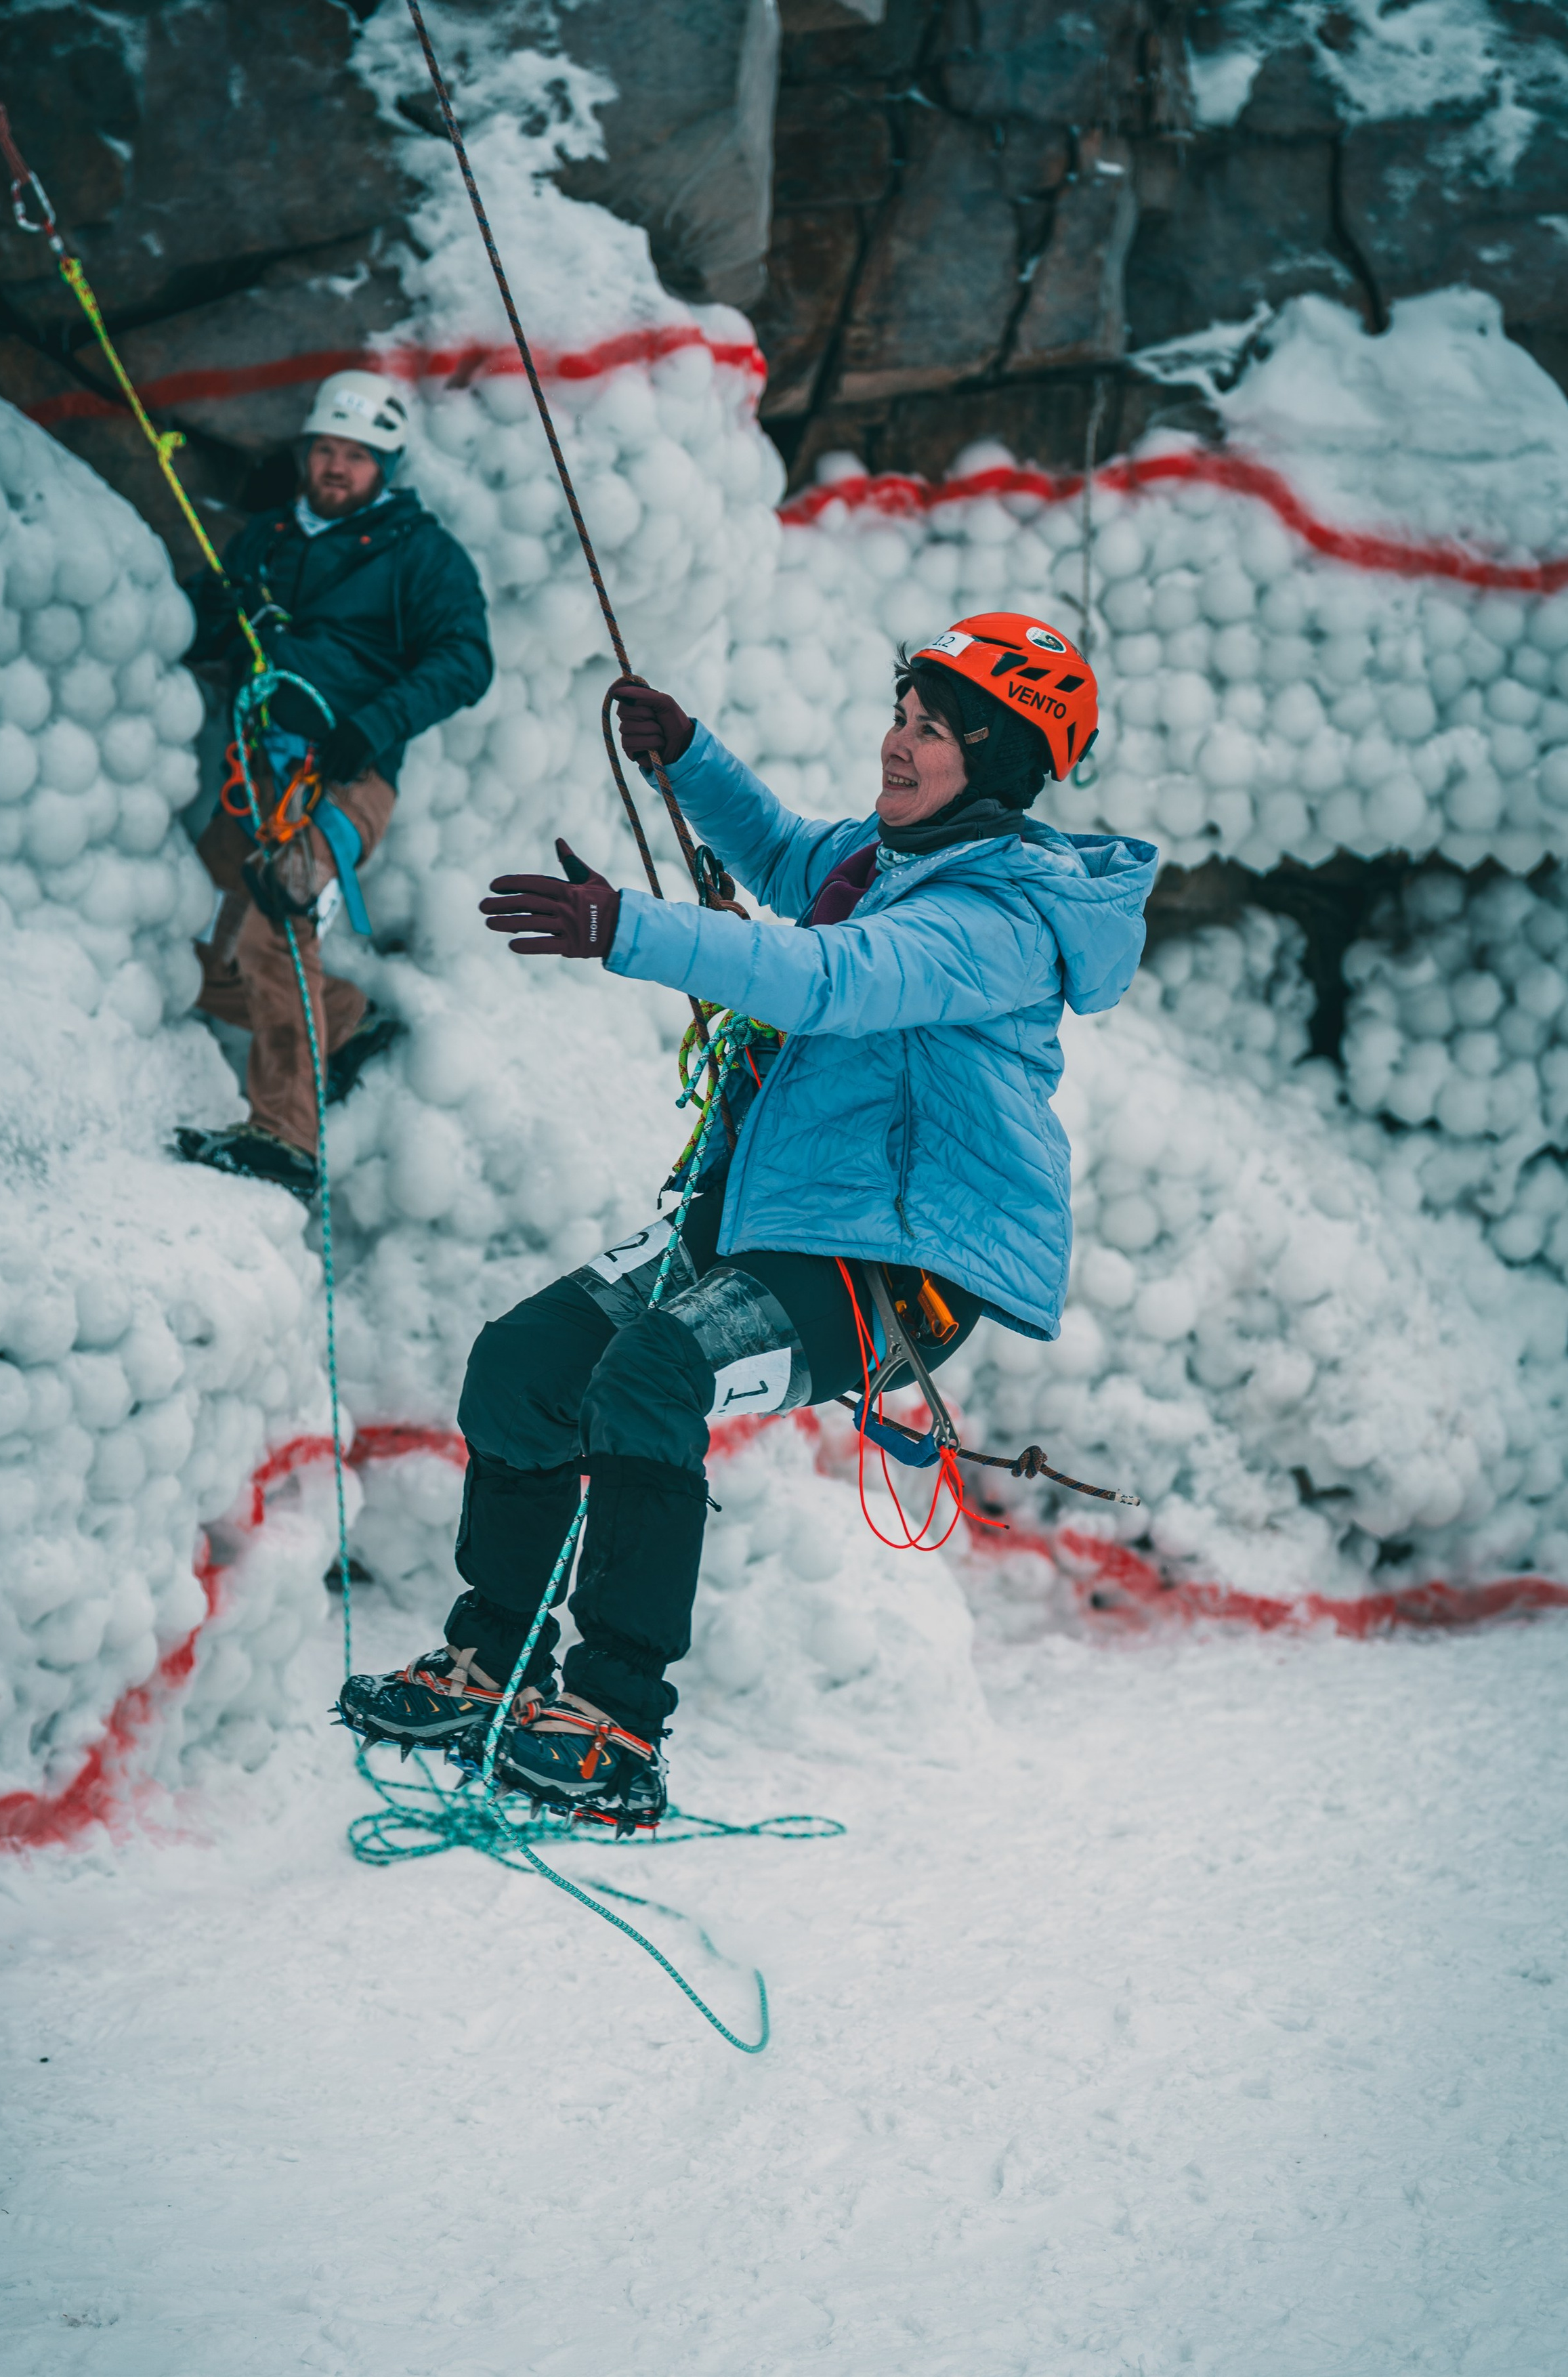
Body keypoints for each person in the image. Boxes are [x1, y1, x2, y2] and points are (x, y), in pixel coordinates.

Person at [339, 611, 1157, 1826]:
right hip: (766, 1217)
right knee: (522, 1367)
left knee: (650, 1378)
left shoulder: (997, 921)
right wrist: (690, 759)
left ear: (998, 764)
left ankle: (615, 1723)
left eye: (933, 733)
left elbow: (830, 980)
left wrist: (627, 928)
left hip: (891, 1270)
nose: (899, 744)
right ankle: (489, 1668)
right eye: (902, 715)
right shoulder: (885, 858)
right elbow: (782, 853)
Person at [177, 371, 493, 1196]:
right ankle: (342, 1021)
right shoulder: (268, 539)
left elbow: (465, 659)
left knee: (276, 915)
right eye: (325, 450)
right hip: (253, 778)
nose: (336, 467)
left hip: (345, 780)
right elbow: (211, 623)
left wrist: (370, 727)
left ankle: (286, 1139)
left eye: (355, 455)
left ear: (384, 464)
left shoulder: (420, 554)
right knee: (203, 958)